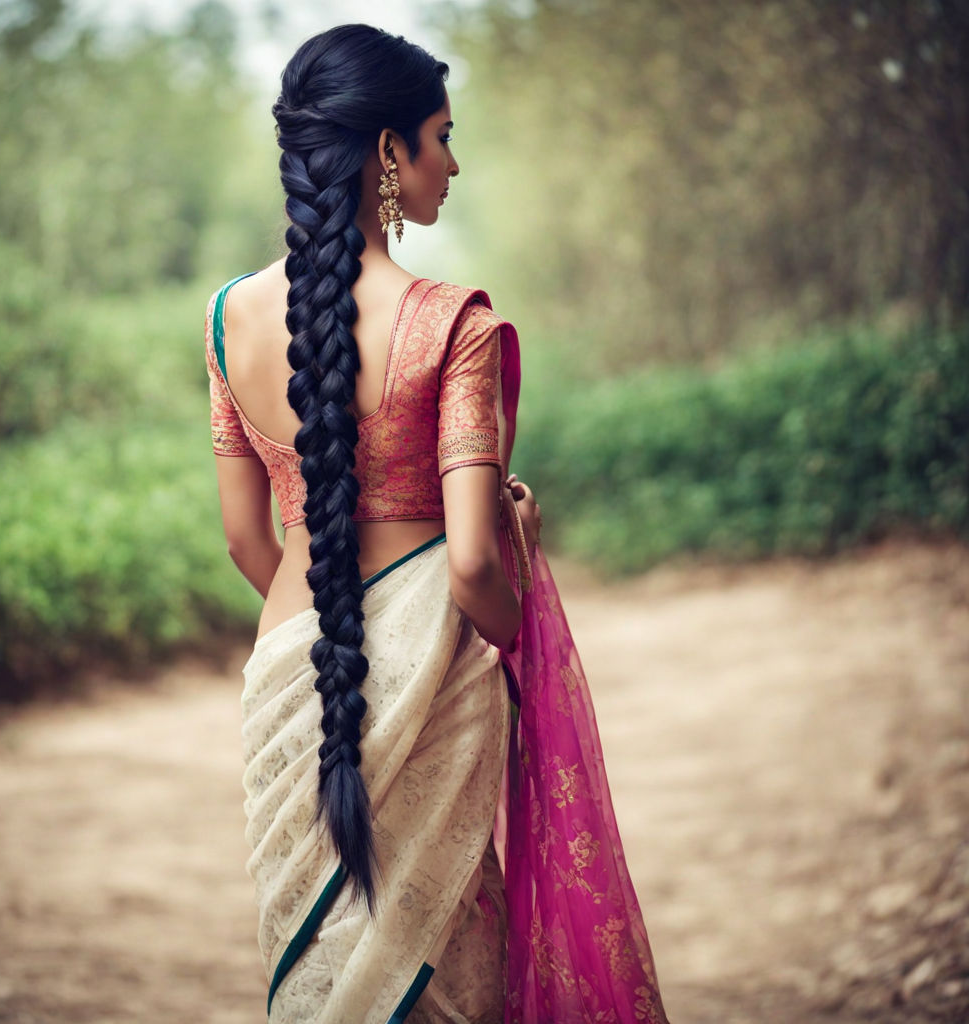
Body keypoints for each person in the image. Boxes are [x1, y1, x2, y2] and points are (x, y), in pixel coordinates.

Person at [205, 23, 669, 1024]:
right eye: (442, 136)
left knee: (321, 969)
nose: (452, 164)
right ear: (387, 151)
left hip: (290, 675)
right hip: (434, 677)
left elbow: (250, 542)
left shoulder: (226, 317)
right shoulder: (453, 322)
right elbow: (467, 563)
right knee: (447, 963)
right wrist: (511, 632)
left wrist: (338, 626)